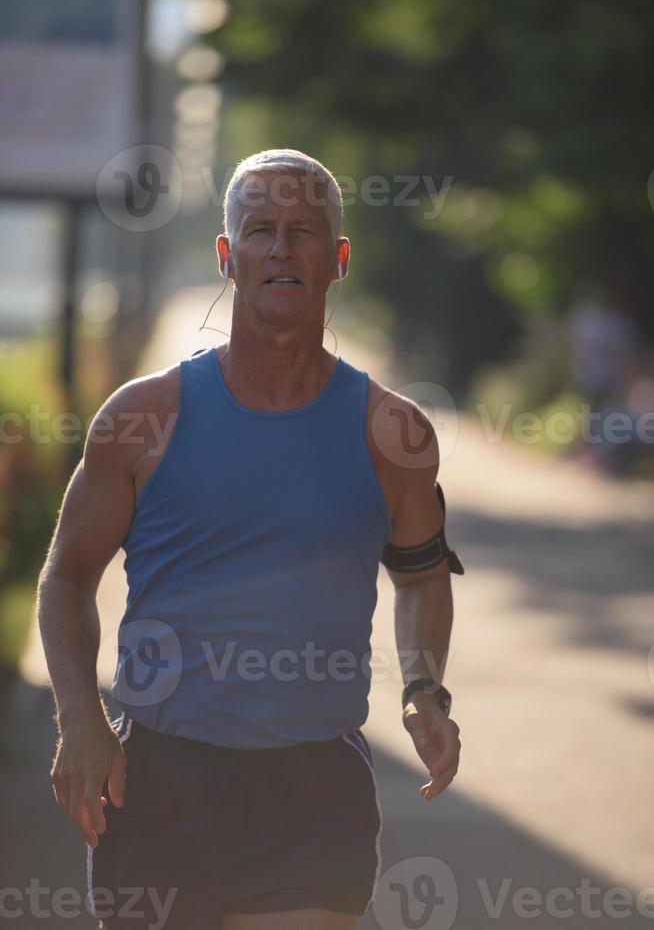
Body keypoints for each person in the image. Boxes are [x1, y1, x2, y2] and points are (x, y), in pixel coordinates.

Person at [38, 149, 464, 930]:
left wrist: (422, 689)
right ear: (227, 256)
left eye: (304, 231)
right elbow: (66, 577)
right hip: (160, 778)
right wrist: (80, 722)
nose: (282, 248)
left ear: (337, 260)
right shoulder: (142, 420)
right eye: (261, 229)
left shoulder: (393, 432)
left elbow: (421, 574)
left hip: (313, 784)